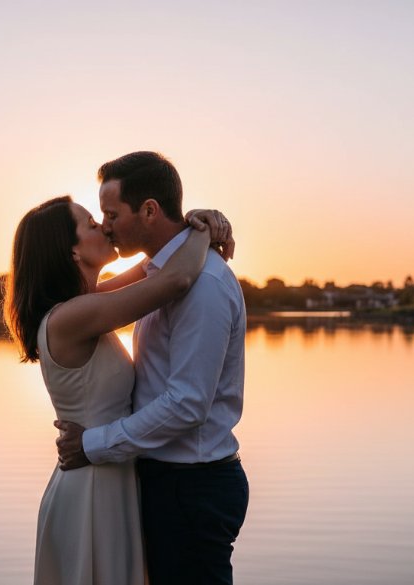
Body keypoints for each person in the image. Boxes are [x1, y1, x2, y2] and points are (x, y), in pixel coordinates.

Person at [4, 193, 232, 585]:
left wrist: (195, 224)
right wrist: (202, 231)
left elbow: (154, 267)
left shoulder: (87, 303)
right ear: (72, 251)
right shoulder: (72, 316)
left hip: (109, 471)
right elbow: (175, 279)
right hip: (92, 485)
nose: (104, 226)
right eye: (91, 224)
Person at [55, 151, 249, 585]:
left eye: (110, 213)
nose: (105, 225)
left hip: (192, 486)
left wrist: (93, 444)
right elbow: (153, 279)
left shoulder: (206, 286)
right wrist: (198, 229)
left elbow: (187, 405)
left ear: (148, 210)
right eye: (97, 218)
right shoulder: (158, 277)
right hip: (164, 480)